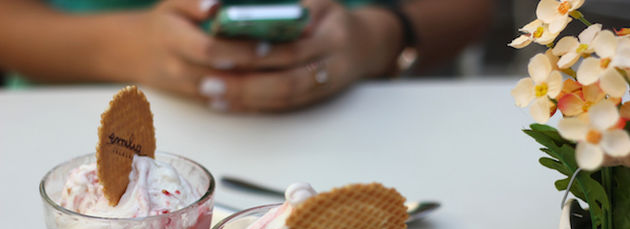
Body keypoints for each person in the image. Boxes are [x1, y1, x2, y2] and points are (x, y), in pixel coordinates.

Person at [0, 0, 492, 112]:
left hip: (365, 116)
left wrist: (379, 36)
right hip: (65, 116)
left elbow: (475, 10)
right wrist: (122, 47)